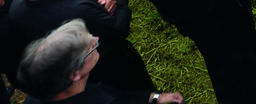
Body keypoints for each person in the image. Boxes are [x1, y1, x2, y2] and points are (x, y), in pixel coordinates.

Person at [10, 0, 154, 92]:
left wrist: (90, 1)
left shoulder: (17, 5)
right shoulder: (78, 11)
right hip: (110, 69)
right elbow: (118, 29)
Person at [16, 20, 183, 104]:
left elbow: (120, 95)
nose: (96, 39)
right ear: (75, 73)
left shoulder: (46, 89)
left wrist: (154, 98)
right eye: (89, 47)